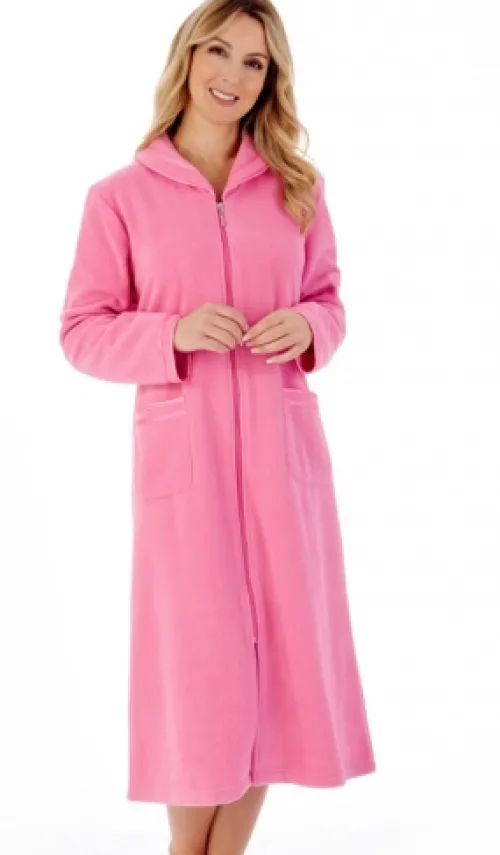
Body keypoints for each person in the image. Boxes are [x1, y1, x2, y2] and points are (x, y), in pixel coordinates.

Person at [59, 0, 377, 852]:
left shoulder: (298, 189)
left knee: (278, 672)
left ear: (271, 80)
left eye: (254, 62)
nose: (232, 75)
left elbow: (330, 301)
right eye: (219, 51)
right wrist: (172, 332)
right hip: (185, 469)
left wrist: (309, 326)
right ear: (187, 57)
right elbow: (81, 331)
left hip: (283, 458)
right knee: (201, 679)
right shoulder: (119, 199)